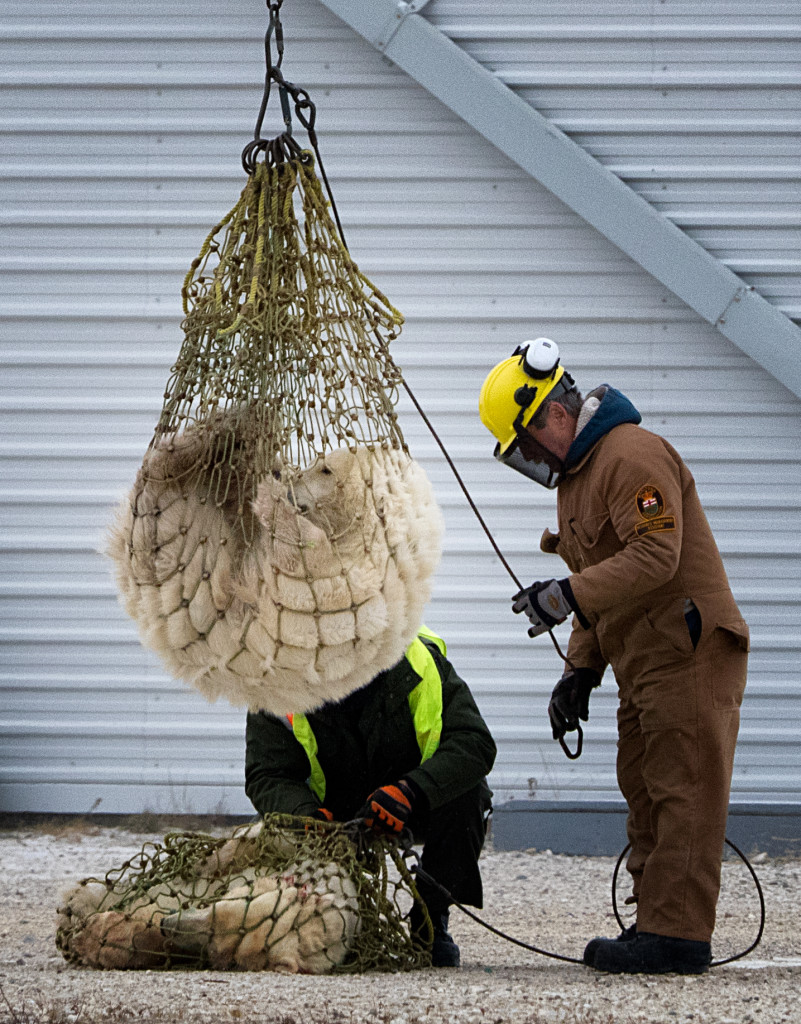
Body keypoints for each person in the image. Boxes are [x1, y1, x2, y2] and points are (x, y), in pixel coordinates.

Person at [478, 339, 749, 975]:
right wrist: (580, 671)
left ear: (552, 416)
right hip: (645, 662)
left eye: (524, 445)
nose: (530, 461)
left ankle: (677, 937)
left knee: (681, 787)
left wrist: (562, 594)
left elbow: (656, 557)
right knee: (647, 788)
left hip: (689, 653)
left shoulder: (631, 454)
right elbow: (602, 583)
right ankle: (658, 924)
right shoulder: (577, 483)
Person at [245, 625, 496, 968]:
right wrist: (308, 817)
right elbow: (267, 773)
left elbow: (474, 742)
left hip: (408, 802)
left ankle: (431, 917)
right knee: (282, 825)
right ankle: (325, 914)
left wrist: (410, 791)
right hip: (328, 817)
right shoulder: (275, 677)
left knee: (469, 794)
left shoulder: (414, 660)